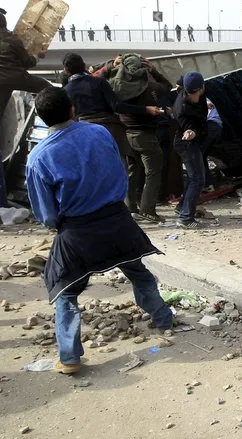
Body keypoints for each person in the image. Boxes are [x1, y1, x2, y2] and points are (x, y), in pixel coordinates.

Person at [26, 87, 174, 375]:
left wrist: (60, 226)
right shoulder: (98, 133)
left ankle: (69, 358)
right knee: (138, 272)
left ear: (43, 120)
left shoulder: (38, 157)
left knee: (64, 290)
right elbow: (119, 170)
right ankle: (164, 318)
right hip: (117, 221)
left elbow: (46, 214)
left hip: (77, 231)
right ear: (71, 109)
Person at [62, 53, 162, 167]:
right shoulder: (99, 82)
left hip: (84, 135)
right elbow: (117, 106)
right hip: (110, 131)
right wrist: (146, 109)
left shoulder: (65, 91)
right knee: (117, 168)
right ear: (84, 65)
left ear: (66, 70)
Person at [109, 54, 173, 222]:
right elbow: (167, 86)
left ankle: (131, 209)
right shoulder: (150, 88)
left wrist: (111, 66)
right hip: (146, 136)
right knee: (152, 172)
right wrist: (155, 71)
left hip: (125, 135)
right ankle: (148, 210)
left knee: (131, 172)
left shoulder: (116, 88)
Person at [173, 71, 208, 228]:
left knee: (194, 177)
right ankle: (185, 218)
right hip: (185, 142)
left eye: (196, 93)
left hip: (192, 140)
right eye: (190, 94)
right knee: (198, 179)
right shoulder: (182, 108)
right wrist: (192, 132)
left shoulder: (197, 93)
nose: (194, 97)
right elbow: (189, 127)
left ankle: (182, 207)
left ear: (202, 88)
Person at [0, 10, 50, 121]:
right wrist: (38, 56)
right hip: (17, 78)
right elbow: (27, 63)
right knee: (48, 89)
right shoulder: (12, 40)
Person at [201, 98, 224, 191]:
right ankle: (209, 183)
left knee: (198, 155)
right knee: (202, 156)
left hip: (211, 126)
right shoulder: (202, 98)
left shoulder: (200, 99)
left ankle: (207, 184)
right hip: (215, 127)